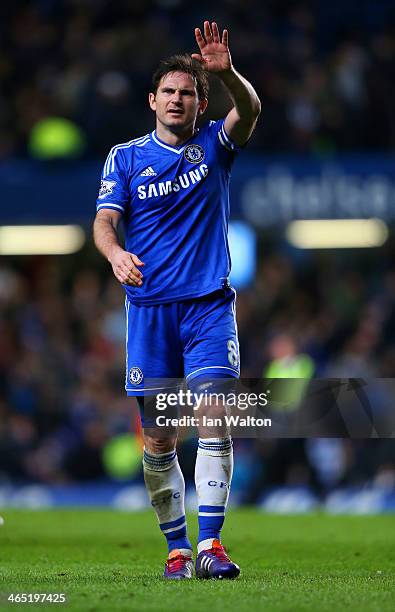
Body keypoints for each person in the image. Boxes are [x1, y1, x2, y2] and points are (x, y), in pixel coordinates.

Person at [93, 21, 260, 580]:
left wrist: (228, 72)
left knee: (217, 419)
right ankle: (176, 548)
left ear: (199, 102)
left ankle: (211, 545)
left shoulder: (216, 144)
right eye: (168, 92)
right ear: (152, 100)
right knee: (160, 438)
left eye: (187, 93)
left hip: (209, 307)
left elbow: (252, 111)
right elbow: (104, 222)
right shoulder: (125, 158)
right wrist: (116, 255)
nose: (177, 100)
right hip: (150, 314)